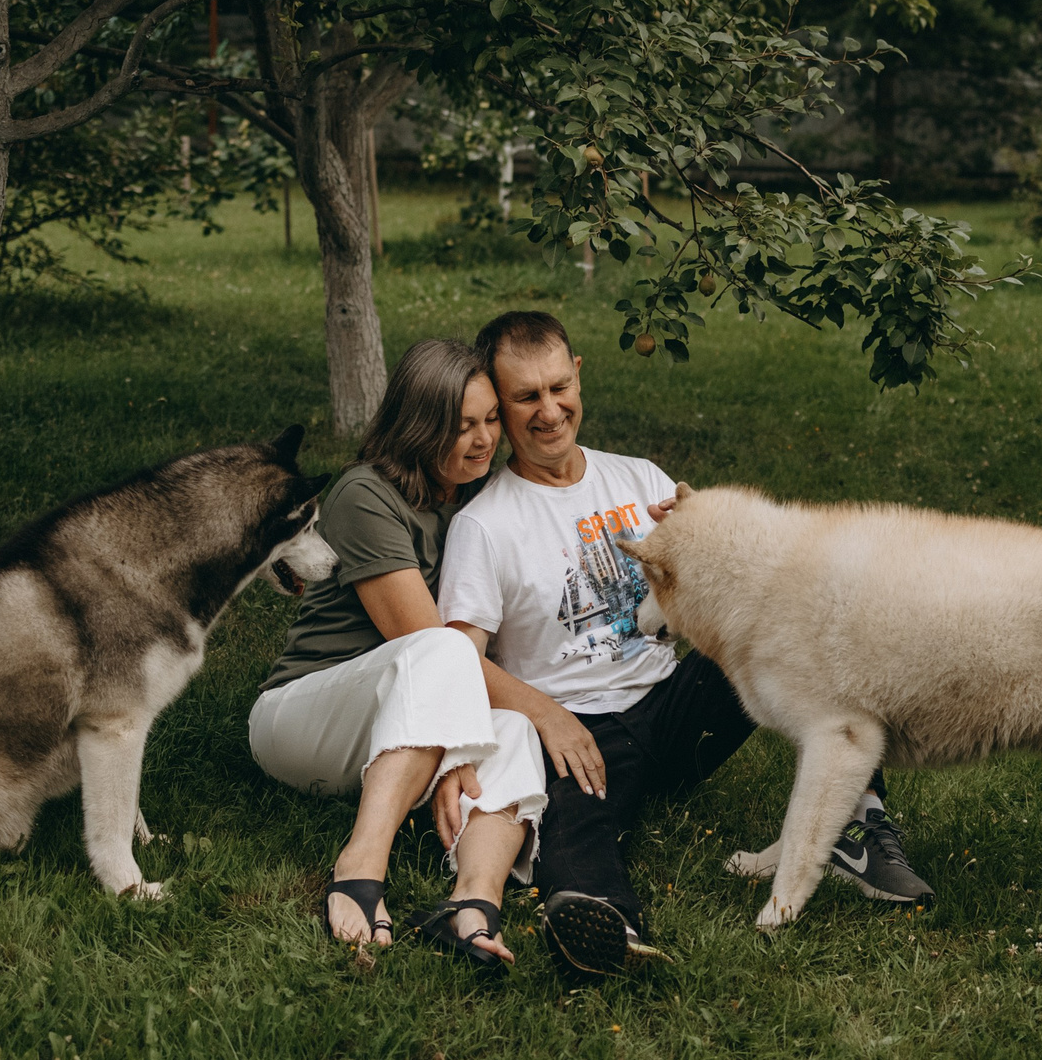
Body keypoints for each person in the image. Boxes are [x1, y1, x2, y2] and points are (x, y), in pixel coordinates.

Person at [436, 310, 933, 978]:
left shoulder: (636, 477)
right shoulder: (485, 523)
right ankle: (604, 925)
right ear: (498, 403)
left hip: (674, 702)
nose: (549, 410)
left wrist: (708, 537)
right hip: (579, 731)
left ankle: (855, 824)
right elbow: (456, 657)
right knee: (577, 829)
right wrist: (546, 716)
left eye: (559, 387)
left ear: (578, 375)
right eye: (525, 397)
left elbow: (721, 574)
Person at [247, 338, 544, 969]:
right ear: (417, 425)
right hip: (304, 718)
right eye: (461, 425)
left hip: (395, 731)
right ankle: (360, 867)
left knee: (516, 729)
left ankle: (472, 907)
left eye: (491, 419)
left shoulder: (472, 498)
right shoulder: (364, 494)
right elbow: (424, 642)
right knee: (441, 648)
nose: (484, 439)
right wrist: (464, 748)